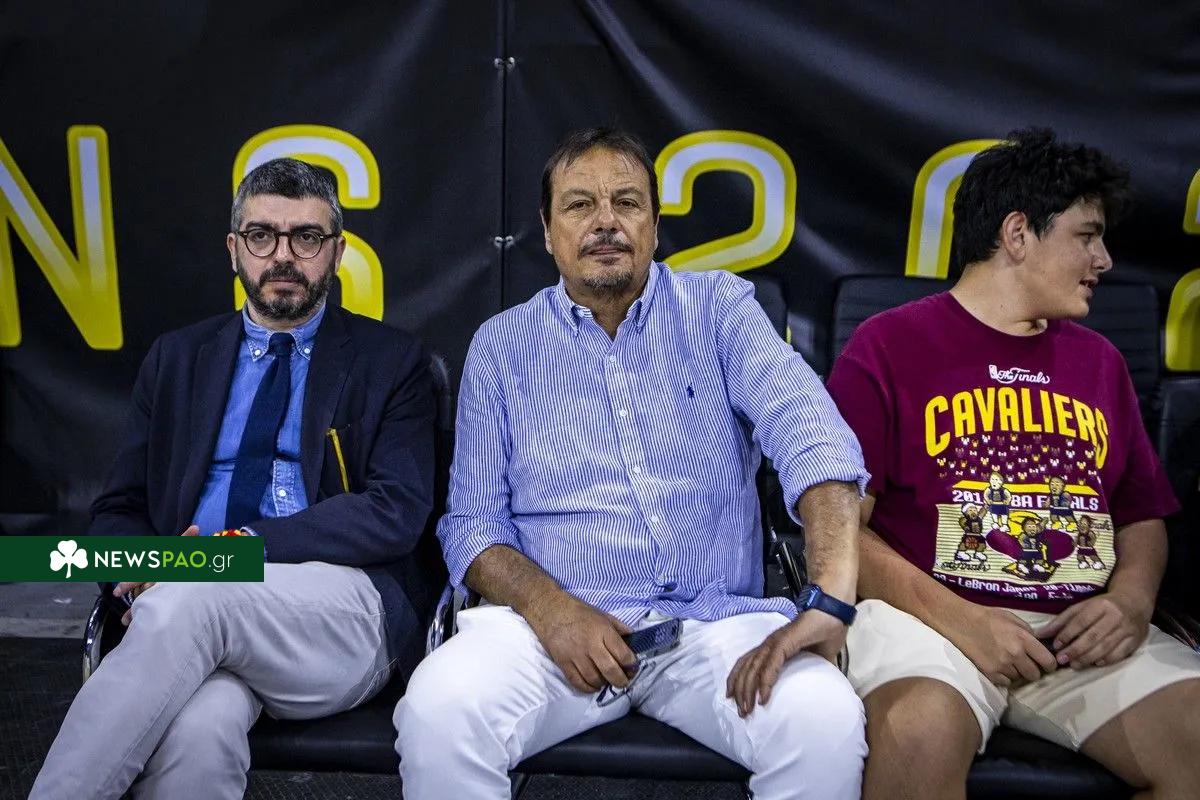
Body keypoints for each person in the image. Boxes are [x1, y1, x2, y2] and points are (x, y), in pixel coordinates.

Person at [395, 128, 869, 800]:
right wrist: (551, 609)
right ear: (547, 231)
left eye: (626, 202)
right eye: (579, 205)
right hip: (547, 634)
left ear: (654, 224)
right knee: (439, 712)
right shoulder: (501, 346)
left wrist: (828, 597)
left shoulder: (721, 310)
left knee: (823, 721)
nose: (605, 222)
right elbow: (472, 526)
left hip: (713, 627)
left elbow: (814, 437)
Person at [31, 158, 439, 800]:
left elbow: (395, 510)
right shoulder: (176, 358)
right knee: (201, 731)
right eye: (261, 236)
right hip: (187, 611)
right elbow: (120, 505)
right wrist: (140, 569)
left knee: (200, 593)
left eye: (307, 237)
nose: (283, 256)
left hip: (338, 611)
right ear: (233, 249)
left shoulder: (393, 361)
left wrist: (239, 547)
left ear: (337, 252)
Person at [826, 128, 1200, 800]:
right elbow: (841, 528)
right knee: (918, 733)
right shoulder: (886, 345)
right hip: (928, 622)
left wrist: (1131, 601)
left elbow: (1141, 515)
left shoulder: (1101, 362)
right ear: (1018, 233)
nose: (1104, 260)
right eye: (1087, 236)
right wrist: (964, 620)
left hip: (1075, 632)